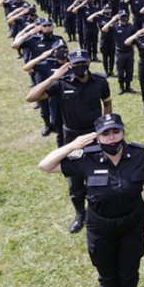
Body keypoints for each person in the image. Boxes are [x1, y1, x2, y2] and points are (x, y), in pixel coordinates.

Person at [38, 114, 144, 287]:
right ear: (97, 137)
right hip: (101, 228)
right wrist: (72, 145)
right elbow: (45, 165)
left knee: (129, 275)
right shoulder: (86, 157)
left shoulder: (138, 154)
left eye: (116, 132)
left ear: (123, 132)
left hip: (132, 224)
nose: (112, 138)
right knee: (107, 276)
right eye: (105, 134)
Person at [27, 48, 112, 233]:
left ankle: (96, 211)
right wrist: (53, 78)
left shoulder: (100, 81)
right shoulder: (61, 83)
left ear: (89, 62)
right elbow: (31, 97)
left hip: (95, 134)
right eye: (76, 64)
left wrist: (106, 127)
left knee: (98, 173)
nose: (80, 67)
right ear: (69, 65)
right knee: (74, 178)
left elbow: (106, 103)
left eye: (83, 62)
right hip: (72, 137)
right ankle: (80, 213)